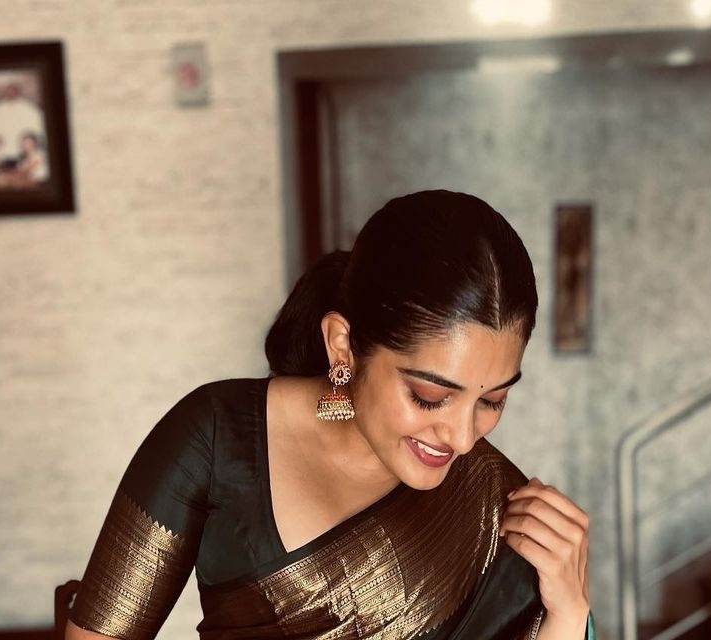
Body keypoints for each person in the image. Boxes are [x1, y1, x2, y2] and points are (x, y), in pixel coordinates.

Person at [65, 190, 594, 640]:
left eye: (492, 401)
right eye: (429, 396)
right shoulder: (216, 438)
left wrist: (570, 613)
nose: (461, 438)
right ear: (342, 345)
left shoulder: (496, 504)